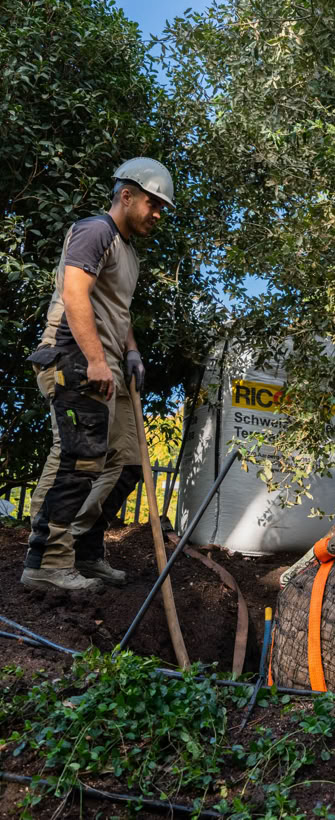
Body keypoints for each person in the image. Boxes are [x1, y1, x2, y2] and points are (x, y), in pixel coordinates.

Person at [23, 158, 174, 592]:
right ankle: (46, 564)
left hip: (109, 366)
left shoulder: (128, 253)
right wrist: (94, 359)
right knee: (77, 459)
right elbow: (75, 292)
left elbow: (118, 310)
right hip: (75, 359)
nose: (158, 213)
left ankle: (86, 553)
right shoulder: (96, 232)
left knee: (127, 461)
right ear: (126, 196)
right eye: (153, 203)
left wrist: (131, 352)